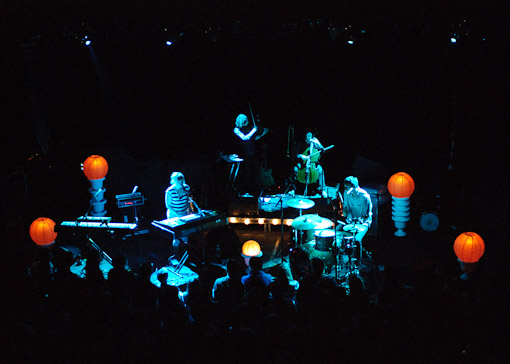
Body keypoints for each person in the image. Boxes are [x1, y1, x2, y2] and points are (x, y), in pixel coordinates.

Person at [233, 114, 267, 195]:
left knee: (255, 173)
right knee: (246, 173)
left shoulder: (247, 129)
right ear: (240, 121)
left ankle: (255, 191)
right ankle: (246, 191)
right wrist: (253, 131)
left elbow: (254, 138)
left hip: (252, 153)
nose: (247, 122)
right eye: (245, 120)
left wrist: (263, 133)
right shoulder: (236, 130)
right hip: (243, 155)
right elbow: (245, 138)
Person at [340, 176, 373, 260]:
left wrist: (358, 222)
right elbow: (346, 208)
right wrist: (345, 212)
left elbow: (366, 215)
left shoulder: (364, 196)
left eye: (348, 187)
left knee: (357, 239)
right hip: (351, 221)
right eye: (345, 187)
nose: (346, 189)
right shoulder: (346, 193)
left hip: (363, 223)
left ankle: (358, 261)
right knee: (336, 233)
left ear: (354, 186)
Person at [165, 171, 192, 258]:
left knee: (185, 237)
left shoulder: (186, 188)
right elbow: (168, 205)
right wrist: (177, 215)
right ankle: (176, 256)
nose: (181, 181)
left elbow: (188, 200)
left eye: (182, 178)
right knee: (176, 237)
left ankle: (185, 257)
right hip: (173, 215)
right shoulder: (169, 191)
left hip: (184, 214)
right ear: (174, 180)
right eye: (178, 179)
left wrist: (190, 210)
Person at [294, 131, 326, 196]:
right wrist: (301, 156)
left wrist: (318, 143)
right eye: (307, 136)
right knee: (295, 169)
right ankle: (294, 189)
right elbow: (295, 155)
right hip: (302, 162)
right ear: (305, 136)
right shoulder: (300, 144)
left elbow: (323, 151)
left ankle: (322, 189)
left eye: (310, 135)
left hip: (313, 163)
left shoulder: (315, 143)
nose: (309, 137)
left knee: (321, 170)